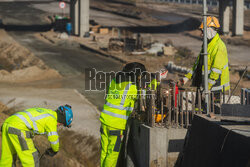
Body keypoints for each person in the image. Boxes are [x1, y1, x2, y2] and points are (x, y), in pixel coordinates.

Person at [100, 62, 146, 167]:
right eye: (140, 77)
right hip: (116, 125)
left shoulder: (114, 81)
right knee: (112, 154)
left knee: (104, 151)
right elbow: (143, 97)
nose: (140, 79)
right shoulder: (131, 88)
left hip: (104, 120)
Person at [0, 105, 73, 167]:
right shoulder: (52, 120)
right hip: (19, 129)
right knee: (31, 159)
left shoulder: (47, 112)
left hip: (7, 124)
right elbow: (54, 138)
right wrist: (55, 150)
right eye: (61, 124)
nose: (59, 126)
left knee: (7, 157)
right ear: (61, 120)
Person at [180, 16, 230, 108]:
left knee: (212, 111)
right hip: (203, 85)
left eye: (203, 31)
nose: (201, 34)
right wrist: (187, 78)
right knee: (198, 109)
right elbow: (198, 64)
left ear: (209, 30)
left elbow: (216, 71)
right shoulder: (207, 44)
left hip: (214, 87)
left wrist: (208, 88)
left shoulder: (219, 46)